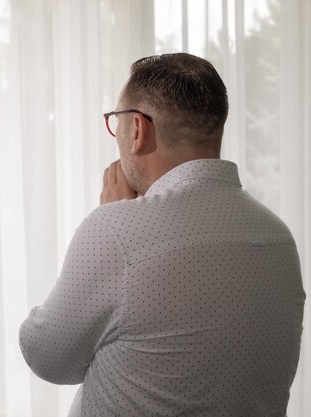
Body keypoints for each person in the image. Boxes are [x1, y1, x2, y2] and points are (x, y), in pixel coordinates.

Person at [19, 53, 305, 417]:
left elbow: (47, 357)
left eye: (115, 122)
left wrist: (113, 215)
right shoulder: (279, 238)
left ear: (137, 129)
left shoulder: (116, 231)